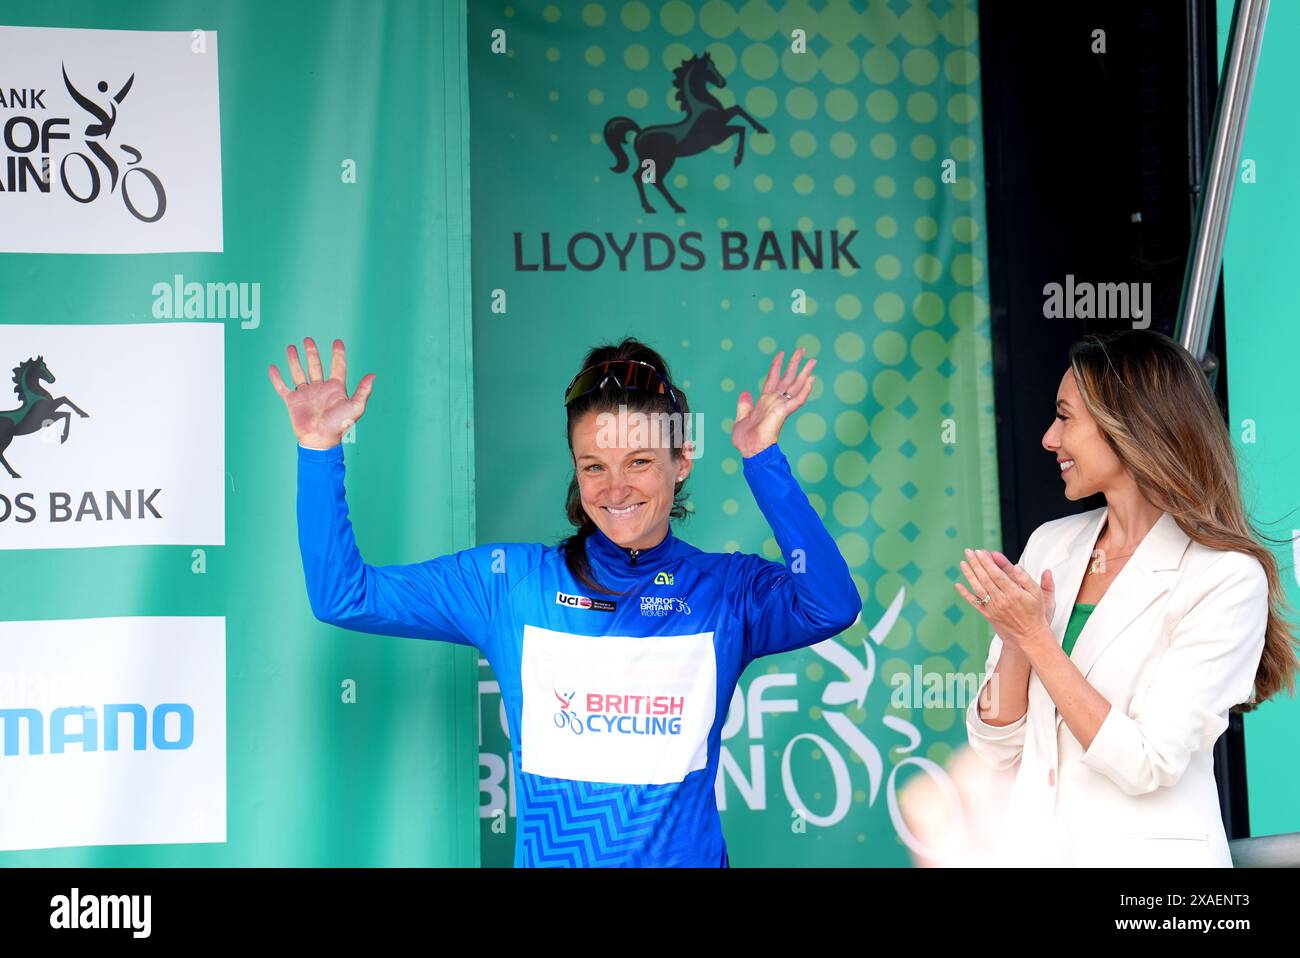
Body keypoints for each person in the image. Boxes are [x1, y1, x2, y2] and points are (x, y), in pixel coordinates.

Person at [268, 335, 861, 867]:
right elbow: (343, 596)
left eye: (640, 462)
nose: (615, 488)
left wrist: (763, 460)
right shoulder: (510, 584)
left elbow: (831, 605)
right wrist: (319, 451)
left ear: (681, 463)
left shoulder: (725, 592)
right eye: (593, 466)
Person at [959, 329, 1297, 866]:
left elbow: (1148, 761)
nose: (1049, 438)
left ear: (1128, 426)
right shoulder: (1051, 544)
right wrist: (1017, 647)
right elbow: (994, 745)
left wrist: (1035, 638)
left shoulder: (1226, 577)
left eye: (1065, 417)